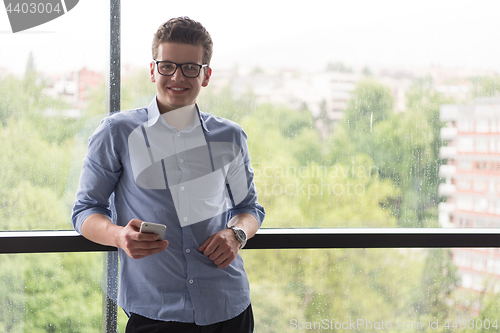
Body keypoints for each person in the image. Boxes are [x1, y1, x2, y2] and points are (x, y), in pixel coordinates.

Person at [72, 17, 265, 333]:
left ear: (205, 75)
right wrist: (120, 237)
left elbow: (249, 209)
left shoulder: (229, 136)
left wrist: (237, 234)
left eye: (191, 67)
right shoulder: (116, 133)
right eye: (167, 66)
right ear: (152, 70)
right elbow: (85, 212)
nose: (178, 76)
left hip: (228, 307)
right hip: (155, 313)